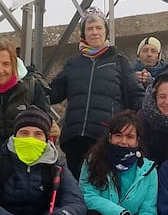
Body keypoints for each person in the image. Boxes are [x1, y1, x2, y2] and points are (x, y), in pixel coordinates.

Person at [48, 11, 144, 176]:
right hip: (74, 137)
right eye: (90, 28)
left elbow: (135, 95)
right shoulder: (73, 63)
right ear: (84, 34)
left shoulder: (119, 61)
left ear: (106, 32)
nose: (94, 32)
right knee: (76, 188)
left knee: (101, 184)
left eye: (98, 28)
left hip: (104, 137)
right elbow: (53, 93)